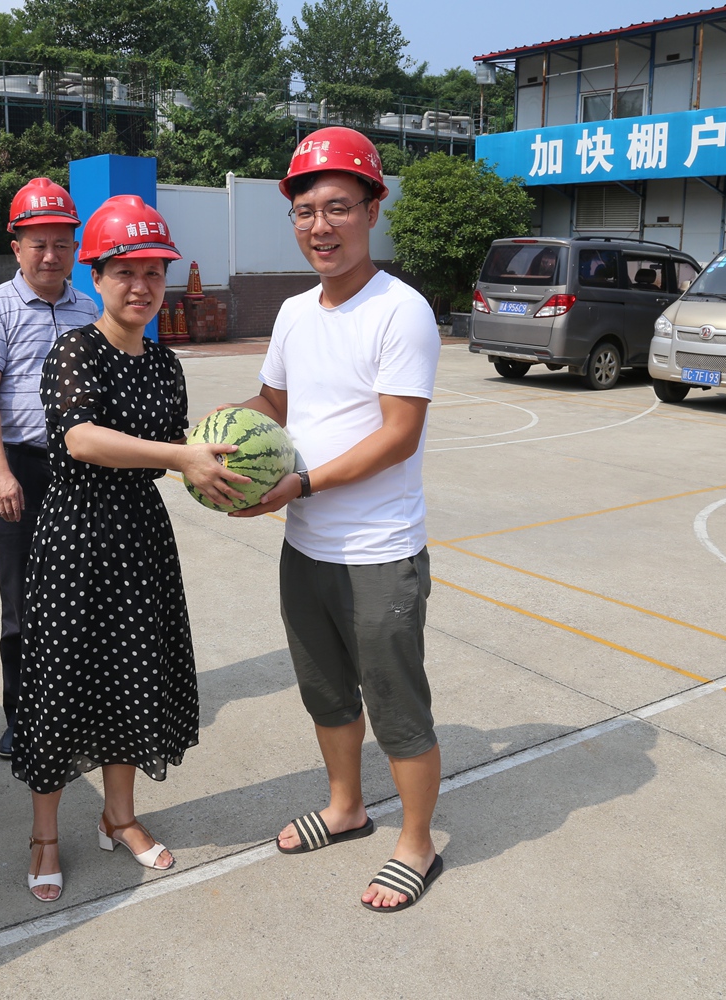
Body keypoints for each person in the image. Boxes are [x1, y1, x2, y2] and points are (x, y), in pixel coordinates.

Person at [229, 127, 444, 913]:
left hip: (380, 552)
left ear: (372, 210)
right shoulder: (293, 313)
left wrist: (305, 482)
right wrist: (217, 434)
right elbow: (274, 403)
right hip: (307, 548)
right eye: (306, 211)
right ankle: (346, 806)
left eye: (338, 208)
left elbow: (399, 434)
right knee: (326, 692)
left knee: (397, 705)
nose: (321, 226)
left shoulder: (401, 312)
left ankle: (416, 843)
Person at [15, 195, 251, 902]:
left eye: (153, 271)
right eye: (125, 271)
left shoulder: (165, 364)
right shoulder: (74, 350)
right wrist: (181, 455)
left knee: (131, 679)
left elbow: (173, 451)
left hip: (140, 541)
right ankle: (45, 835)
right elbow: (81, 438)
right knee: (62, 686)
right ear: (96, 277)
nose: (141, 286)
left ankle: (119, 818)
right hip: (75, 540)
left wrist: (220, 460)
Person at [0, 178, 100, 761]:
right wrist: (0, 471)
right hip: (19, 467)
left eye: (61, 243)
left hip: (81, 471)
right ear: (16, 246)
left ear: (75, 248)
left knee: (81, 595)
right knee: (21, 600)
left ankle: (77, 712)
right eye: (38, 243)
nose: (50, 255)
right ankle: (22, 717)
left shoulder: (88, 308)